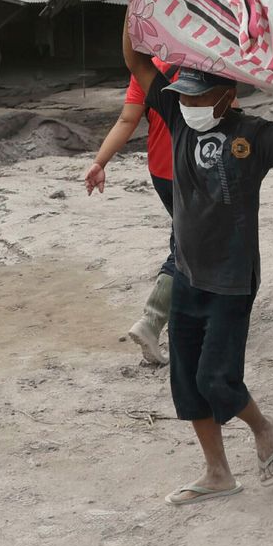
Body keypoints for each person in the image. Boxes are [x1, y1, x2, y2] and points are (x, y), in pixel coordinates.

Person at [117, 0, 273, 506]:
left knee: (218, 379)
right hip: (188, 274)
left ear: (227, 97)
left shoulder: (251, 135)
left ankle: (266, 429)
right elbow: (136, 59)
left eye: (199, 96)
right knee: (187, 384)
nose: (189, 103)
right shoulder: (174, 113)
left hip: (232, 280)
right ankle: (217, 473)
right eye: (185, 95)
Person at [85, 54, 181, 366]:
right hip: (197, 169)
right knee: (188, 244)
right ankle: (152, 321)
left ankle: (185, 315)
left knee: (195, 239)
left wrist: (100, 162)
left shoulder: (150, 66)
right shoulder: (206, 57)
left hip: (162, 171)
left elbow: (127, 120)